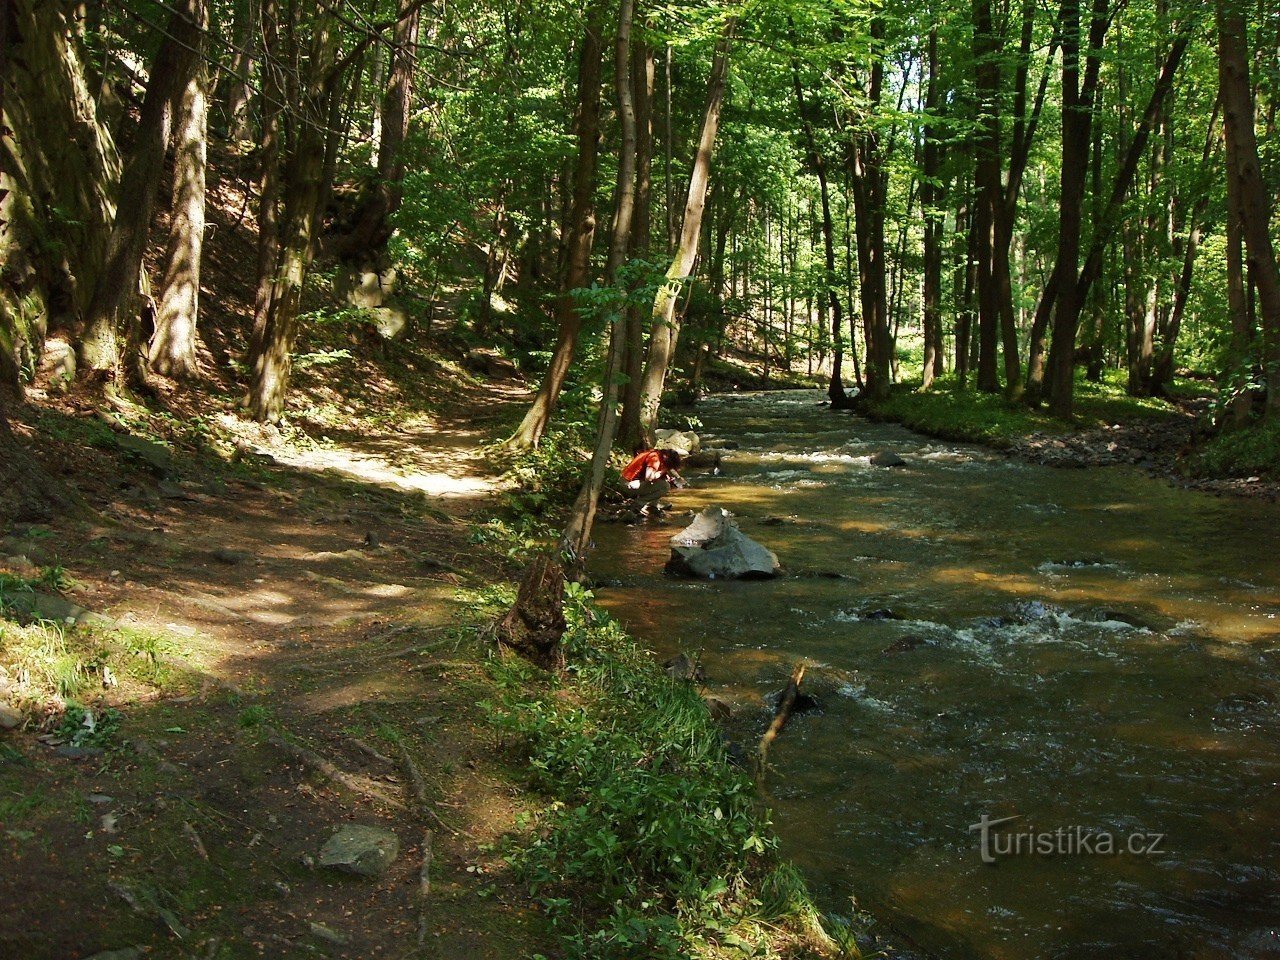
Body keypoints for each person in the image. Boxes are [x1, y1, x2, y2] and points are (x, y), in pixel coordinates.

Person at [620, 448, 686, 515]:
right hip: (628, 484)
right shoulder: (655, 459)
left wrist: (676, 477)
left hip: (627, 481)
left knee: (661, 481)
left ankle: (653, 505)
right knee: (665, 486)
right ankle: (639, 503)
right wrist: (663, 471)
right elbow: (649, 477)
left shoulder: (656, 453)